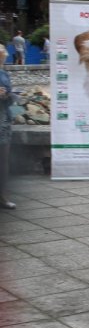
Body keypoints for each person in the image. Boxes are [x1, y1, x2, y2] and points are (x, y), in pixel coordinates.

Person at [0, 44, 16, 209]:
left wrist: (8, 95)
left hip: (3, 121)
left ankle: (3, 196)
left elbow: (10, 97)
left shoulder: (4, 73)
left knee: (3, 161)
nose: (4, 55)